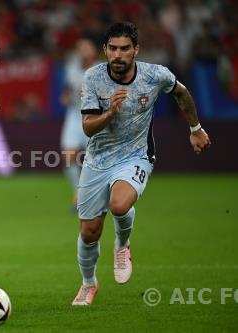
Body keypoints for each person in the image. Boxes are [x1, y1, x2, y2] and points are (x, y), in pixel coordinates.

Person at [72, 22, 211, 306]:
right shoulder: (93, 77)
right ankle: (88, 284)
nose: (118, 55)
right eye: (113, 49)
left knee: (120, 205)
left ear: (136, 50)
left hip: (136, 155)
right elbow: (87, 127)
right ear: (105, 50)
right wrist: (110, 111)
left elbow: (182, 93)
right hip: (98, 159)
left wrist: (195, 128)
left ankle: (122, 245)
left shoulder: (155, 74)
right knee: (89, 232)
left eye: (125, 49)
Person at [60, 38, 99, 212]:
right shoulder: (71, 68)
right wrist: (66, 96)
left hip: (94, 116)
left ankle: (96, 196)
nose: (83, 52)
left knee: (96, 160)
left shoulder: (101, 70)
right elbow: (67, 90)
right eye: (80, 49)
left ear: (94, 51)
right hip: (74, 115)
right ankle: (78, 195)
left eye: (86, 48)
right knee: (68, 156)